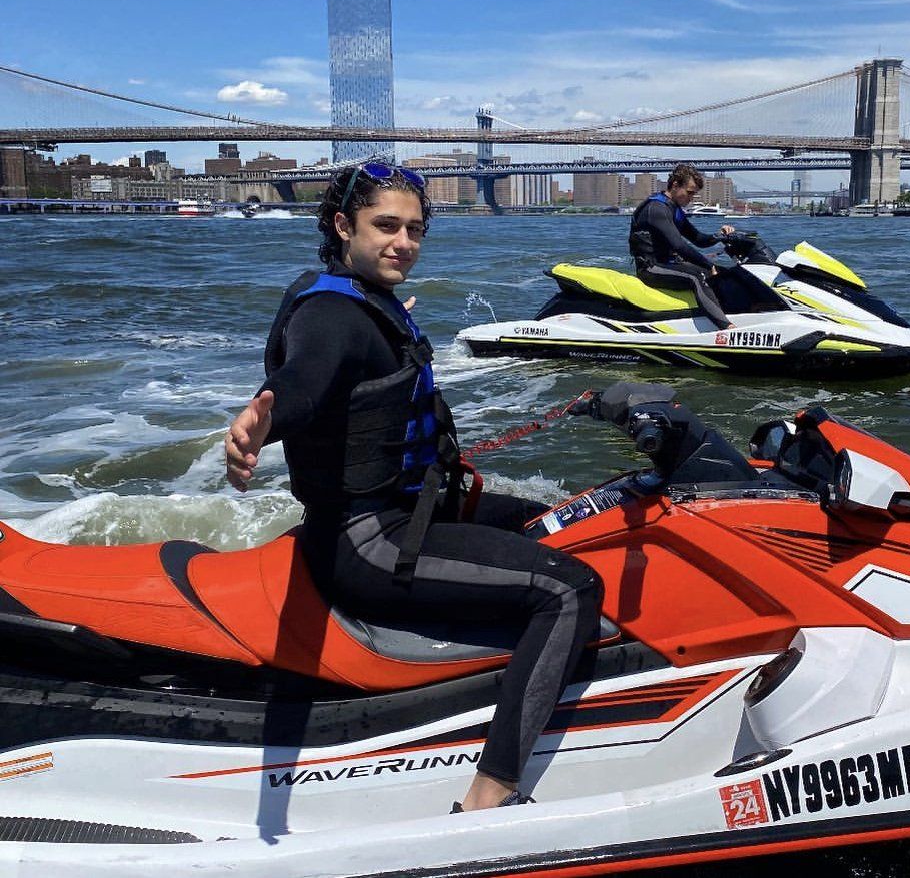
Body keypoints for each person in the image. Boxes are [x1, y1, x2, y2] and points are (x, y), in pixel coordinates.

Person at [225, 159, 603, 813]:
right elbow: (308, 377)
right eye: (386, 226)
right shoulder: (332, 315)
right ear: (343, 225)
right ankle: (491, 794)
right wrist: (264, 420)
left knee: (561, 517)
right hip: (369, 542)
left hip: (411, 510)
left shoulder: (366, 298)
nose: (404, 242)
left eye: (416, 230)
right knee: (570, 590)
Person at [628, 163, 737, 330]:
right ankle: (726, 327)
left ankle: (741, 311)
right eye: (689, 193)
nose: (691, 198)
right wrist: (709, 265)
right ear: (675, 185)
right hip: (651, 268)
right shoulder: (656, 209)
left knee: (725, 273)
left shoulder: (674, 209)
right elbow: (679, 246)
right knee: (698, 276)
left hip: (669, 264)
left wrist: (721, 235)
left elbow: (698, 239)